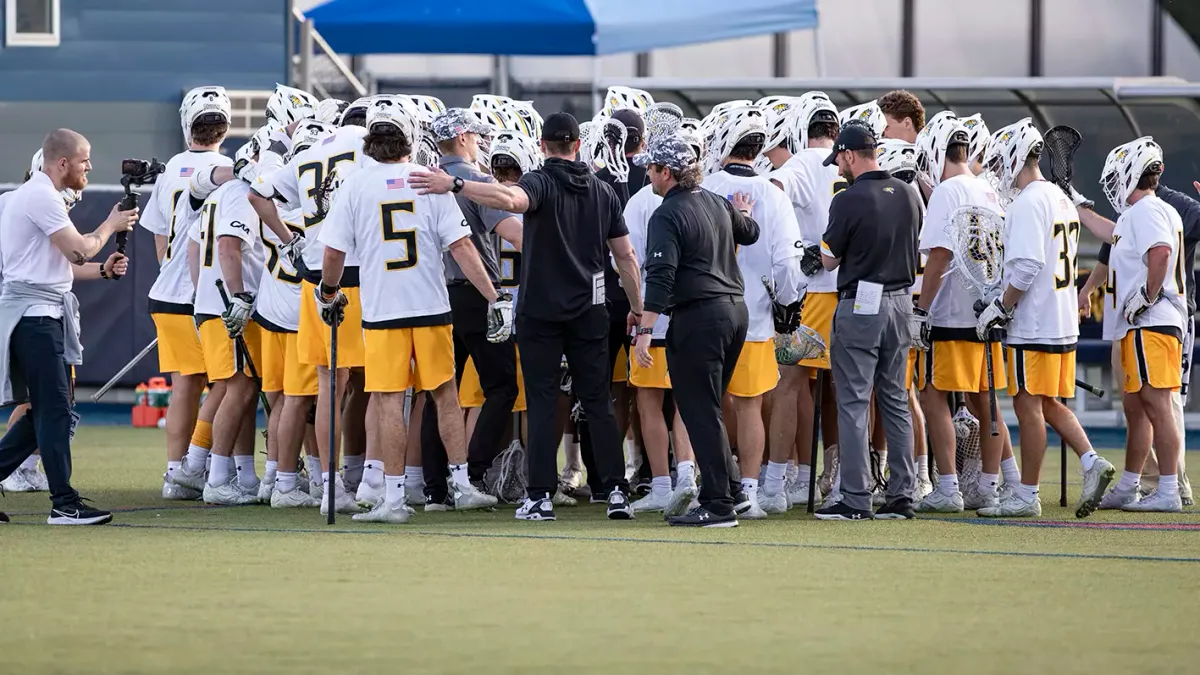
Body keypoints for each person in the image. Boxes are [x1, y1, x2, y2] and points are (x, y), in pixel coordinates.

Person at [410, 112, 644, 522]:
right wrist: (639, 309)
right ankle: (615, 491)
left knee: (539, 399)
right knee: (596, 400)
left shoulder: (538, 181)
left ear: (541, 146)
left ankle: (540, 495)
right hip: (591, 306)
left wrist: (457, 184)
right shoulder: (604, 192)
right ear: (576, 145)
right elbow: (625, 256)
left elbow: (511, 200)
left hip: (540, 308)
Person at [316, 97, 500, 524]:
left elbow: (333, 253)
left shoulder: (356, 185)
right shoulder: (427, 179)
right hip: (431, 305)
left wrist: (328, 292)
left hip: (384, 311)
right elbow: (462, 245)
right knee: (445, 396)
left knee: (388, 401)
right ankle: (461, 484)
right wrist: (494, 297)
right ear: (410, 138)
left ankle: (394, 497)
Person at [975, 118, 1114, 519]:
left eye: (1003, 162)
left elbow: (1027, 266)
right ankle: (1091, 462)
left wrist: (1000, 307)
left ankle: (1026, 494)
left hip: (1035, 321)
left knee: (1026, 404)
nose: (1000, 171)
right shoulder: (1059, 197)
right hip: (1063, 319)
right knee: (1049, 401)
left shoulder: (1028, 202)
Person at [0, 128, 137, 525]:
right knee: (54, 410)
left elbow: (62, 266)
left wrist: (104, 271)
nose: (89, 167)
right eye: (84, 160)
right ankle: (64, 502)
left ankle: (61, 497)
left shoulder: (26, 196)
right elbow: (80, 248)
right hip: (36, 318)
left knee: (45, 411)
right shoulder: (42, 196)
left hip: (39, 313)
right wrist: (110, 225)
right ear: (62, 163)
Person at [629, 134, 759, 527]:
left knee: (699, 410)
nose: (649, 175)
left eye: (652, 168)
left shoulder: (666, 214)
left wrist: (645, 330)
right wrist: (743, 211)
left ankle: (718, 504)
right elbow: (749, 233)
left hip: (700, 318)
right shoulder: (715, 202)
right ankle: (731, 491)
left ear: (666, 172)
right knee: (709, 409)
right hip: (735, 313)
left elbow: (661, 274)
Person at [701, 105, 805, 518]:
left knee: (707, 403)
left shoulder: (704, 186)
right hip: (756, 314)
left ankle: (713, 485)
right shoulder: (774, 195)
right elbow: (788, 264)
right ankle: (747, 492)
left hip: (706, 309)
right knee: (749, 405)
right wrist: (785, 305)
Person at [815, 123, 921, 521]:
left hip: (862, 303)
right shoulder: (909, 195)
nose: (838, 165)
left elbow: (828, 258)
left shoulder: (848, 198)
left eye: (839, 158)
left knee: (855, 402)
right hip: (901, 304)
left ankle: (856, 499)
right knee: (895, 401)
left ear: (848, 154)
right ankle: (902, 495)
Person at [418, 108, 522, 510]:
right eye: (475, 136)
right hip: (475, 292)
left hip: (431, 294)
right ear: (462, 137)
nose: (480, 141)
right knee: (502, 386)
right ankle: (473, 473)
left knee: (440, 391)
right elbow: (514, 234)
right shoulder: (476, 182)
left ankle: (434, 488)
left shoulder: (420, 180)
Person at [909, 112, 1012, 514]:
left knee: (933, 394)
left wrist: (921, 308)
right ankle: (989, 484)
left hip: (951, 313)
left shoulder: (947, 192)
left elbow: (939, 256)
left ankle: (948, 485)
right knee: (987, 398)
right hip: (985, 311)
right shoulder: (988, 190)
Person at [142, 86, 233, 501]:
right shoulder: (231, 168)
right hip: (209, 293)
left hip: (168, 291)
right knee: (230, 384)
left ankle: (176, 470)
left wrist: (173, 271)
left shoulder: (170, 169)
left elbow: (161, 238)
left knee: (185, 385)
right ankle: (206, 467)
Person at [1090, 138, 1185, 512]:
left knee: (1156, 404)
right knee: (1137, 406)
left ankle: (1168, 491)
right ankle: (1131, 484)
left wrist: (1146, 295)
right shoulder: (1149, 211)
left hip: (1152, 321)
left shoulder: (1145, 211)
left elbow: (1160, 253)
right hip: (1143, 323)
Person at [762, 92, 844, 509]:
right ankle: (836, 477)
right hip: (850, 291)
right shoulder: (850, 161)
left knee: (788, 383)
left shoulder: (801, 163)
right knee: (844, 390)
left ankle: (779, 482)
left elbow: (773, 191)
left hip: (813, 293)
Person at [176, 141, 267, 506]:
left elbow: (195, 248)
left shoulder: (217, 194)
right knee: (239, 389)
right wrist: (239, 295)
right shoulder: (242, 192)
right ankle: (215, 477)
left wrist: (205, 297)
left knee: (239, 389)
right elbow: (228, 245)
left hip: (212, 302)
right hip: (229, 304)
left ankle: (239, 473)